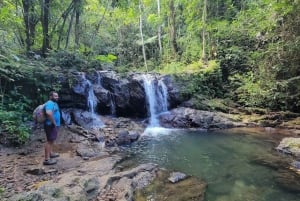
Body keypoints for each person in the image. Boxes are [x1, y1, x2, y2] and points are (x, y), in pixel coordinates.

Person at [43, 91, 61, 165]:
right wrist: (54, 123)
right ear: (50, 96)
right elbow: (48, 113)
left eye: (57, 96)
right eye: (55, 96)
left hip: (53, 125)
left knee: (52, 139)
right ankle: (47, 160)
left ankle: (51, 153)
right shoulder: (50, 103)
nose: (57, 97)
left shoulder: (54, 103)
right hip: (50, 125)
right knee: (49, 141)